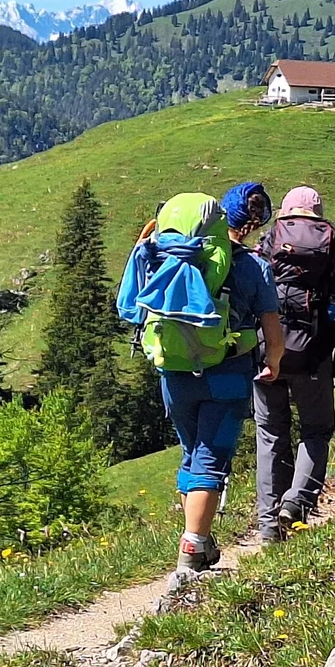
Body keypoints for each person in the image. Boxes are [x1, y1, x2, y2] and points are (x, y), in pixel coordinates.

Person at [118, 181, 282, 571]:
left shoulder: (161, 258)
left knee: (192, 454)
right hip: (228, 375)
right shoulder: (252, 266)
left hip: (174, 375)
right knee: (211, 460)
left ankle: (201, 540)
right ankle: (191, 552)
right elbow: (273, 334)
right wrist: (273, 362)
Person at [252, 186, 335, 542]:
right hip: (313, 353)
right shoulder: (328, 248)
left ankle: (268, 526)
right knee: (316, 430)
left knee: (271, 432)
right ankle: (296, 502)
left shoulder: (268, 241)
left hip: (266, 350)